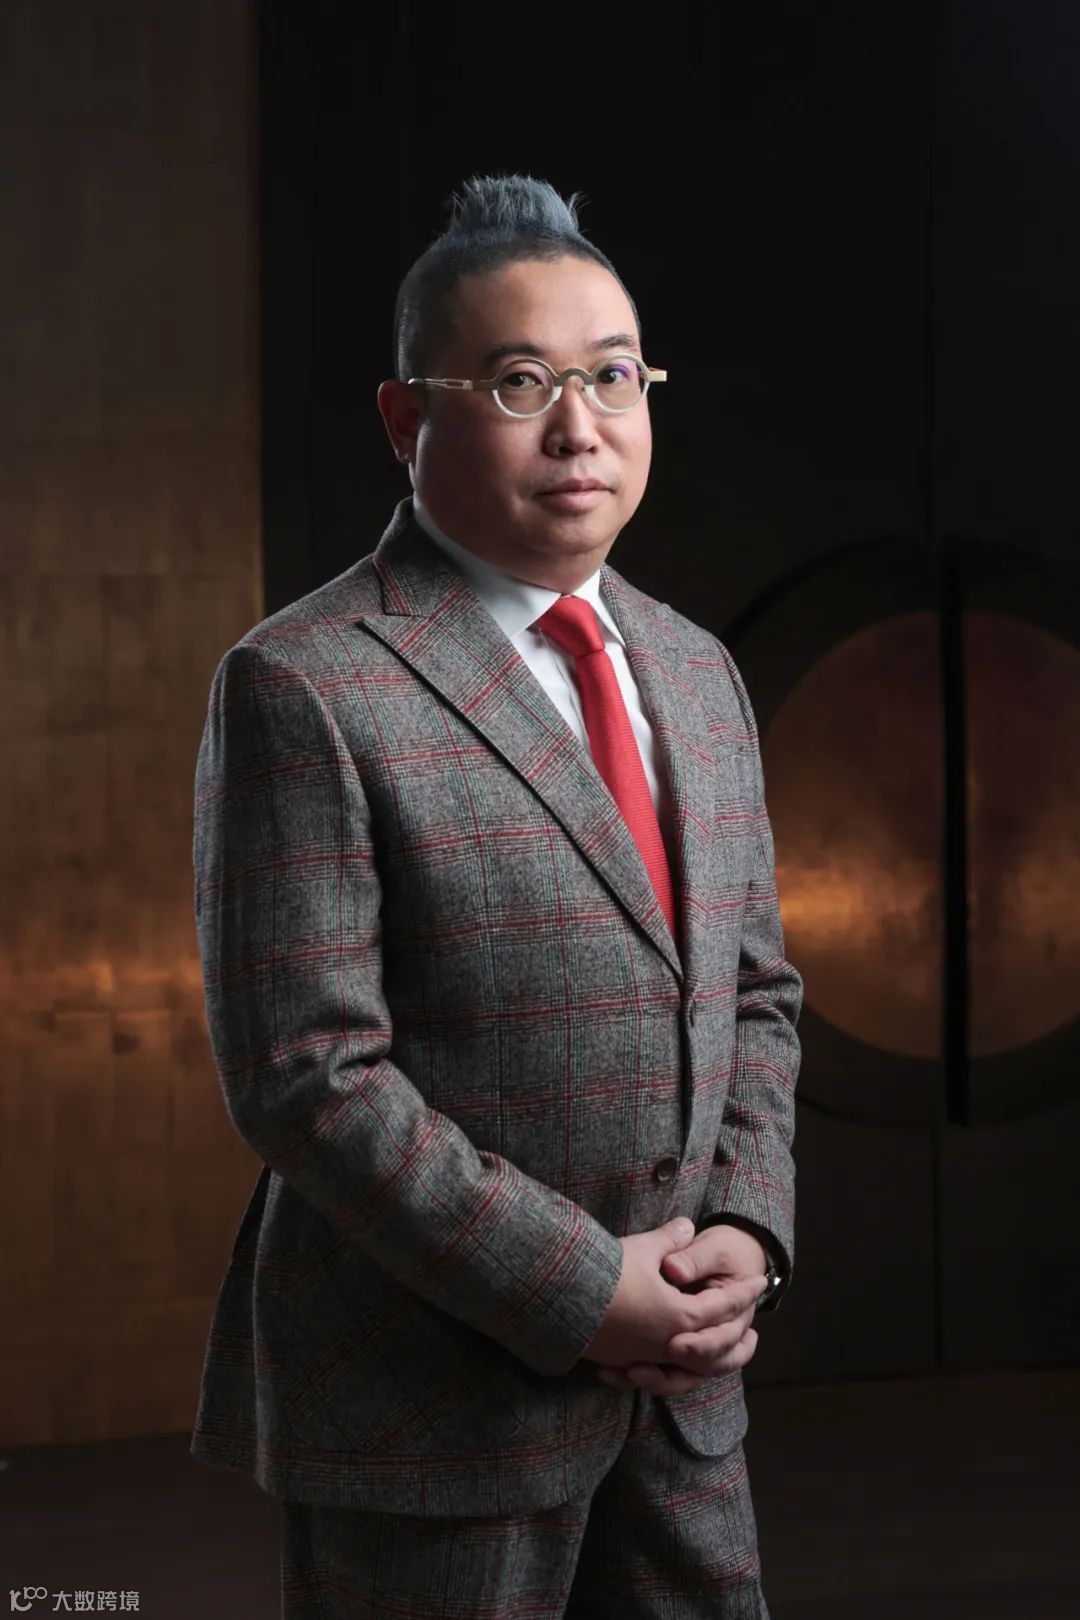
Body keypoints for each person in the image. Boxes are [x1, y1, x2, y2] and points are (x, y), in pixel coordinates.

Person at [190, 173, 803, 1619]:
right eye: (521, 383)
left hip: (683, 1407)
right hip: (427, 1415)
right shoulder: (305, 682)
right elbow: (306, 1078)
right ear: (407, 419)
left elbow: (758, 992)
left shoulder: (697, 671)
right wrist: (584, 1289)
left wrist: (749, 1233)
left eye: (613, 377)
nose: (579, 427)